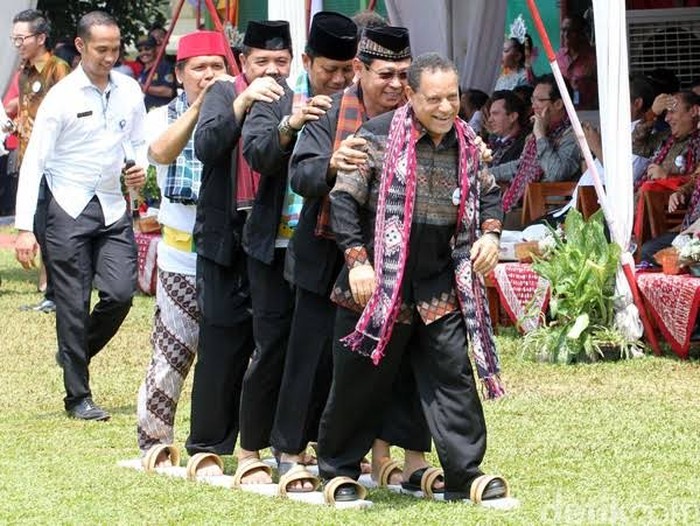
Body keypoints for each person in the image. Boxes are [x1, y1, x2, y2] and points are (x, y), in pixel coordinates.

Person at [318, 52, 507, 502]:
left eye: (452, 98)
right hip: (377, 283)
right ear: (410, 94)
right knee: (359, 381)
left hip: (439, 282)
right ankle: (338, 470)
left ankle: (465, 474)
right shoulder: (375, 136)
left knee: (452, 374)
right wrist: (357, 261)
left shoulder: (468, 143)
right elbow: (343, 200)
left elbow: (490, 194)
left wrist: (490, 235)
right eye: (434, 99)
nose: (445, 108)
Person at [290, 25, 441, 497]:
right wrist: (333, 162)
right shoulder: (330, 111)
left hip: (404, 263)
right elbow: (300, 174)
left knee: (403, 363)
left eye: (403, 75)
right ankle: (297, 453)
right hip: (328, 256)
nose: (396, 84)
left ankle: (394, 458)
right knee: (323, 365)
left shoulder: (423, 114)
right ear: (361, 70)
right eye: (386, 74)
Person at [239, 12, 358, 487]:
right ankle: (250, 447)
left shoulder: (354, 107)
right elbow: (258, 155)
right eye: (330, 69)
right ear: (307, 62)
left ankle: (300, 441)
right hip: (274, 245)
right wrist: (291, 125)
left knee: (316, 350)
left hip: (321, 244)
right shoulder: (277, 97)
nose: (339, 78)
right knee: (272, 347)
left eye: (347, 69)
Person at [14, 11, 147, 421]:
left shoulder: (129, 90)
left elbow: (138, 141)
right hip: (67, 205)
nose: (109, 57)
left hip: (111, 204)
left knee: (121, 294)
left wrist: (139, 168)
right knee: (72, 303)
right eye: (101, 49)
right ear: (80, 46)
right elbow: (34, 162)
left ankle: (75, 351)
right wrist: (24, 228)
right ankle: (78, 397)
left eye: (115, 49)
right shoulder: (62, 97)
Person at [185, 20, 291, 477]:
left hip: (270, 238)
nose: (271, 70)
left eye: (280, 61)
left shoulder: (295, 100)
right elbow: (207, 147)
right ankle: (207, 444)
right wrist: (243, 101)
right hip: (223, 235)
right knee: (221, 339)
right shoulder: (222, 93)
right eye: (262, 61)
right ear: (243, 62)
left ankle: (262, 442)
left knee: (270, 344)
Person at [135, 31, 228, 462]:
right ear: (180, 74)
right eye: (199, 68)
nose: (209, 75)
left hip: (229, 254)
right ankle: (154, 442)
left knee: (232, 356)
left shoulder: (241, 111)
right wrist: (197, 108)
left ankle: (228, 443)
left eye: (217, 67)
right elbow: (160, 153)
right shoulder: (161, 116)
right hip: (179, 256)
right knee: (172, 351)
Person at [12, 9, 71, 314]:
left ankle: (61, 295)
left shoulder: (58, 69)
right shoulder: (24, 72)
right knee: (37, 226)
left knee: (52, 229)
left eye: (22, 38)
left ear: (41, 38)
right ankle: (50, 294)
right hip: (28, 161)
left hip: (54, 164)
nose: (18, 44)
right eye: (14, 39)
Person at [490, 74, 581, 221]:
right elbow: (521, 166)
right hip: (526, 206)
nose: (533, 106)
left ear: (558, 104)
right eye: (533, 100)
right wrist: (484, 173)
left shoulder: (574, 135)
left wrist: (540, 136)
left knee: (490, 224)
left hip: (552, 212)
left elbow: (556, 173)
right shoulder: (541, 133)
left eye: (539, 100)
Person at [555, 14, 597, 110]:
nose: (566, 35)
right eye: (563, 30)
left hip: (589, 111)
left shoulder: (593, 57)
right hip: (564, 111)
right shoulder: (559, 57)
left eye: (571, 31)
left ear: (581, 33)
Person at [486, 90, 528, 167]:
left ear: (513, 117)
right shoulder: (492, 142)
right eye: (490, 114)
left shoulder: (524, 146)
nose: (490, 120)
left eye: (495, 114)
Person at [137, 35, 175, 110]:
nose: (143, 52)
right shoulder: (142, 71)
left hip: (162, 113)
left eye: (147, 49)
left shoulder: (164, 67)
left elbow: (168, 92)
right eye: (140, 50)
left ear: (155, 49)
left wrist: (142, 87)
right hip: (146, 113)